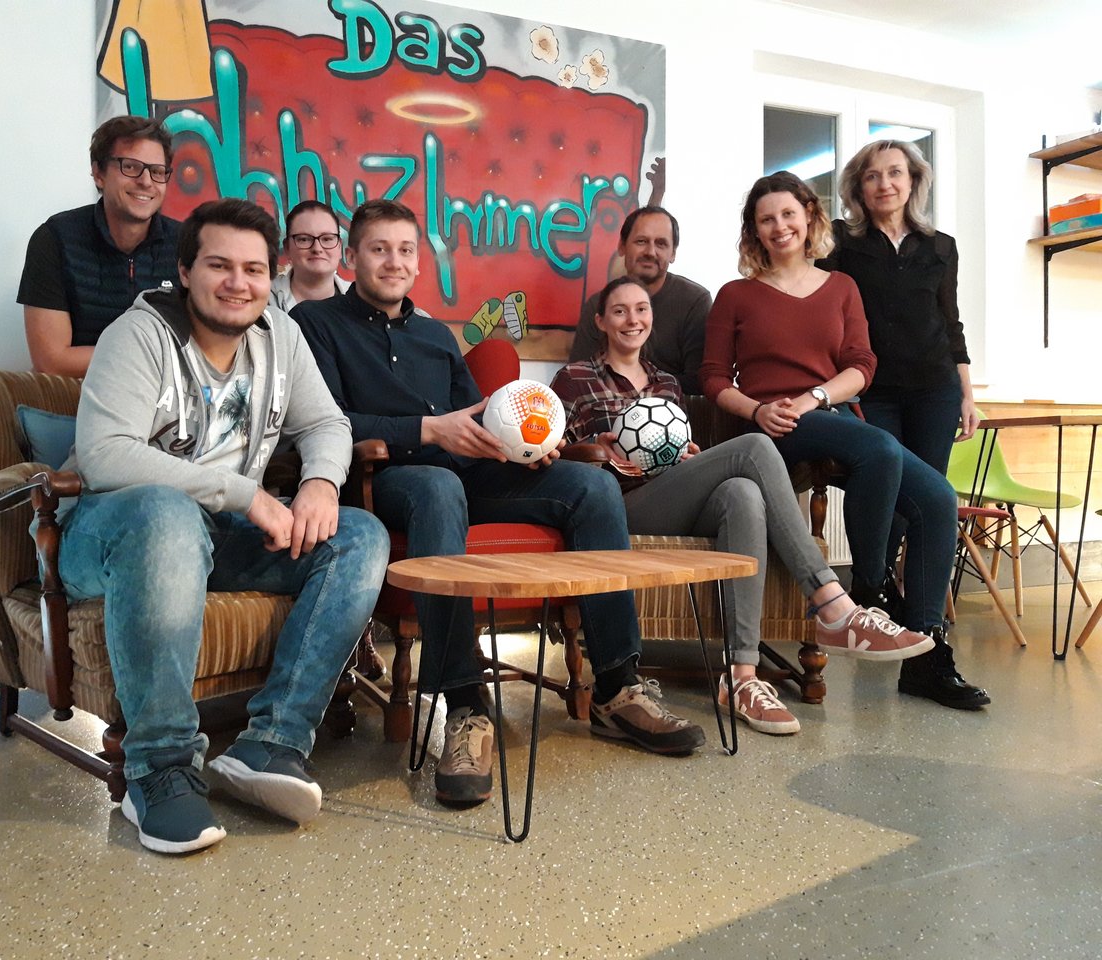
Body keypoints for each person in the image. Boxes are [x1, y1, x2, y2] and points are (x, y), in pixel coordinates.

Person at [294, 199, 706, 808]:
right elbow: (323, 421)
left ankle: (618, 688)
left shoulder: (435, 335)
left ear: (419, 262)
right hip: (389, 480)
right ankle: (465, 704)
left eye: (405, 250)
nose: (394, 261)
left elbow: (483, 419)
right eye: (379, 249)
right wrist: (429, 431)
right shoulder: (315, 323)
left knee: (590, 485)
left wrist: (527, 444)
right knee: (437, 486)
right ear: (352, 257)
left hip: (469, 476)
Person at [53, 198, 390, 854]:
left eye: (254, 270)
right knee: (165, 511)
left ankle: (272, 744)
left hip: (215, 535)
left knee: (358, 536)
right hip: (110, 532)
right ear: (185, 272)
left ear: (271, 277)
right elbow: (104, 454)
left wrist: (320, 484)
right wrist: (245, 494)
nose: (239, 283)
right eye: (219, 265)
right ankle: (158, 769)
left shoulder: (280, 334)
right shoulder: (139, 333)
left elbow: (327, 423)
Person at [552, 277, 934, 735]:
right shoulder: (574, 378)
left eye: (641, 309)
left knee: (743, 494)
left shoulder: (667, 383)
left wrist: (686, 455)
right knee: (754, 447)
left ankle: (741, 677)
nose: (632, 319)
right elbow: (555, 453)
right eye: (619, 311)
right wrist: (598, 448)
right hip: (616, 506)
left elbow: (676, 451)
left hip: (670, 494)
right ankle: (832, 603)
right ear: (600, 321)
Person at [700, 171, 989, 711]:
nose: (779, 226)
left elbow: (862, 364)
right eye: (766, 219)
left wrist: (814, 397)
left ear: (809, 216)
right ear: (754, 231)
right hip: (768, 429)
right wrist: (759, 410)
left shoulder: (841, 287)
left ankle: (926, 656)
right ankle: (868, 594)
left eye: (789, 214)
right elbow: (714, 379)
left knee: (937, 499)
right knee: (878, 447)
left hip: (825, 412)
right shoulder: (735, 295)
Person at [817, 140, 978, 564]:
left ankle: (914, 593)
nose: (884, 184)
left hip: (935, 391)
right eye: (872, 176)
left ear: (913, 181)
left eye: (894, 173)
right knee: (884, 496)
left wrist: (966, 394)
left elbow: (951, 323)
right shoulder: (839, 241)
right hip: (872, 391)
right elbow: (819, 310)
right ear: (859, 188)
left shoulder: (941, 246)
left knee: (928, 497)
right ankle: (875, 587)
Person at [18, 116, 181, 377]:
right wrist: (154, 355)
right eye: (130, 167)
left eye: (157, 171)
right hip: (76, 393)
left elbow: (205, 349)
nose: (146, 181)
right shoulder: (55, 239)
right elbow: (51, 362)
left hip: (166, 395)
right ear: (98, 173)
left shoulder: (187, 245)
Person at [569, 205, 711, 394]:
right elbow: (578, 380)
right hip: (607, 407)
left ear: (673, 253)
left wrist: (640, 392)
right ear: (622, 246)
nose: (650, 252)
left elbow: (699, 382)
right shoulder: (598, 304)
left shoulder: (695, 302)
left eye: (661, 244)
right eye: (641, 241)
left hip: (674, 407)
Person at [270, 200, 351, 314]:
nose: (317, 249)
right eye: (304, 239)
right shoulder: (264, 300)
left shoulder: (361, 300)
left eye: (327, 239)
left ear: (339, 247)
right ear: (287, 247)